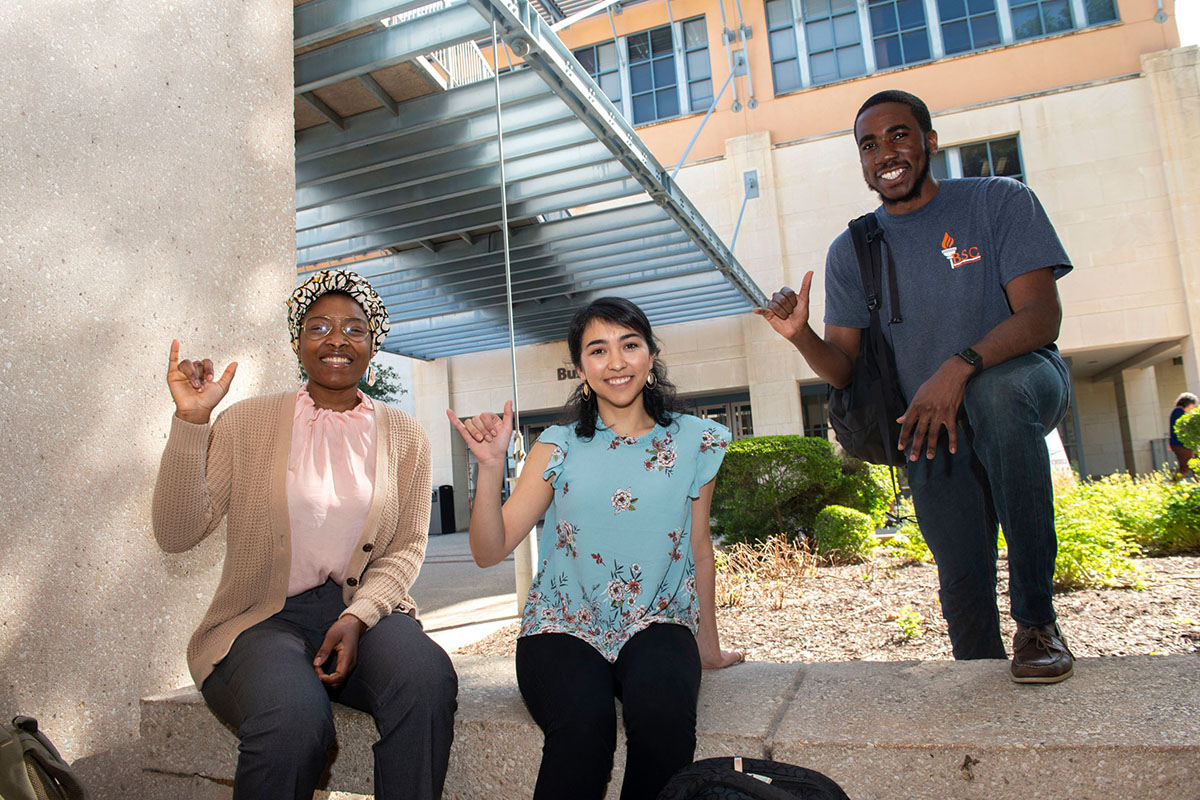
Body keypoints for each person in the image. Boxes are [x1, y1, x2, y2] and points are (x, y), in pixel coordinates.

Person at [757, 89, 1076, 683]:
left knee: (994, 393)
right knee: (961, 580)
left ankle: (1037, 624)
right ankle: (981, 696)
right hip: (930, 426)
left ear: (929, 141)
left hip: (1025, 380)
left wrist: (958, 367)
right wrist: (800, 336)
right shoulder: (853, 249)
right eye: (869, 145)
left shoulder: (998, 201)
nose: (885, 153)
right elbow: (845, 368)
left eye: (899, 135)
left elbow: (1041, 317)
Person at [152, 269, 458, 800]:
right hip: (261, 621)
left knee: (427, 680)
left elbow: (407, 546)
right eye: (319, 327)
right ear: (297, 341)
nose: (336, 339)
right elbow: (176, 534)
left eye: (353, 328)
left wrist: (358, 616)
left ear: (373, 344)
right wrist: (192, 422)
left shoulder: (404, 434)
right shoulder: (246, 423)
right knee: (293, 721)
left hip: (361, 612)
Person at [447, 297, 742, 800]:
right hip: (562, 625)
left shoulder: (695, 440)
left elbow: (698, 547)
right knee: (584, 726)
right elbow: (488, 551)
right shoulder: (557, 445)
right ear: (581, 369)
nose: (616, 362)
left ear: (650, 355)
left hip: (657, 620)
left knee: (664, 717)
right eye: (598, 350)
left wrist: (707, 647)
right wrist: (489, 468)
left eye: (630, 345)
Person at [1169, 392, 1197, 481]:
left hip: (1183, 443)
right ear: (1187, 403)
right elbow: (1181, 428)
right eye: (1192, 404)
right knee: (1186, 466)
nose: (1193, 407)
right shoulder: (1179, 412)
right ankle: (1171, 484)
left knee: (1196, 464)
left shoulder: (1178, 411)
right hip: (1181, 444)